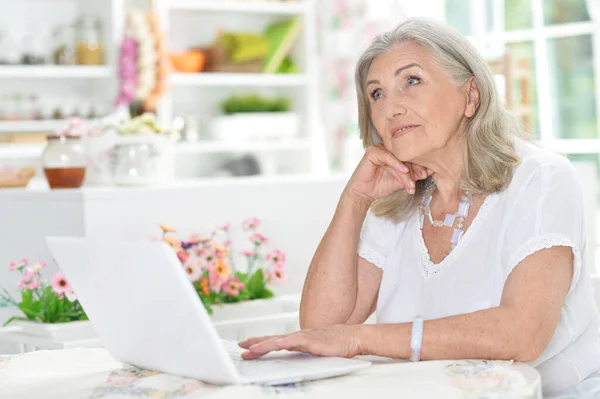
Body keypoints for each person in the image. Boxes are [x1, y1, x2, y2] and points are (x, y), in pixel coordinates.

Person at [237, 17, 600, 397]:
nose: (391, 107)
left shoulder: (540, 178)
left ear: (470, 96)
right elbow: (323, 326)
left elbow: (522, 334)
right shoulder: (400, 200)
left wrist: (363, 339)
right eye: (376, 94)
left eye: (411, 81)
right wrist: (354, 201)